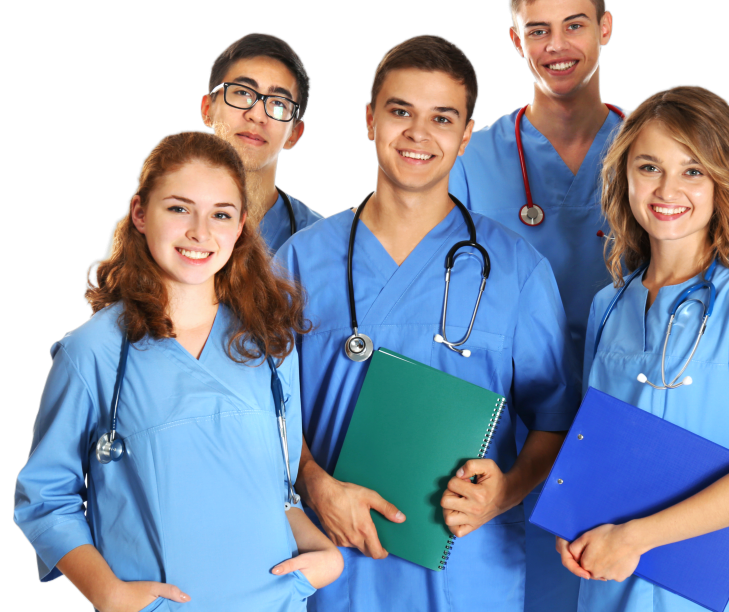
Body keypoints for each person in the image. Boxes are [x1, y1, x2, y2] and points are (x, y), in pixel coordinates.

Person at [274, 34, 579, 612]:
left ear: (466, 135)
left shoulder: (515, 270)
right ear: (369, 120)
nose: (418, 134)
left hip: (467, 568)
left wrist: (505, 492)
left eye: (442, 118)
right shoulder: (298, 261)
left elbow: (556, 419)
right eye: (400, 112)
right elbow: (264, 414)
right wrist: (314, 482)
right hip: (334, 560)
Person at [13, 131, 343, 611]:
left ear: (241, 227)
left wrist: (323, 555)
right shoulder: (93, 353)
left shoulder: (269, 345)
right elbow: (45, 499)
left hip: (273, 601)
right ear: (141, 214)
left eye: (221, 215)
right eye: (179, 209)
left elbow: (276, 489)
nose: (200, 232)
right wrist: (107, 593)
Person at [556, 85, 729, 612]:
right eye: (649, 167)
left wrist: (637, 538)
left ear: (724, 182)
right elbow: (595, 445)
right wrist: (569, 516)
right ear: (624, 176)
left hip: (701, 594)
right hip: (606, 585)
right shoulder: (608, 305)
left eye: (693, 171)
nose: (668, 189)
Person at [448, 0, 623, 608]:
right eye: (538, 30)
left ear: (604, 29)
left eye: (574, 25)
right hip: (509, 429)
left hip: (621, 414)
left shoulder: (651, 150)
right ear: (517, 42)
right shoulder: (472, 158)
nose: (557, 46)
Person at [200, 32, 323, 251]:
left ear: (295, 133)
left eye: (278, 103)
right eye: (242, 93)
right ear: (207, 109)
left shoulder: (319, 241)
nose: (257, 115)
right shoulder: (162, 216)